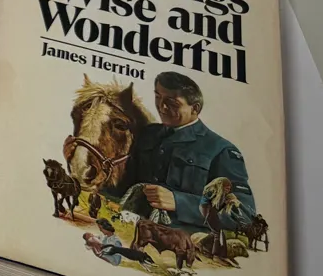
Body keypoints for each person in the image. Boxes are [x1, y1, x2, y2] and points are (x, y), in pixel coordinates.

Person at [106, 71, 255, 232]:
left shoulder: (221, 150)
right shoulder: (148, 133)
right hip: (129, 226)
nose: (161, 107)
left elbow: (243, 215)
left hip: (184, 239)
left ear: (195, 108)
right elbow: (123, 182)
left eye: (172, 103)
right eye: (158, 97)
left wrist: (179, 202)